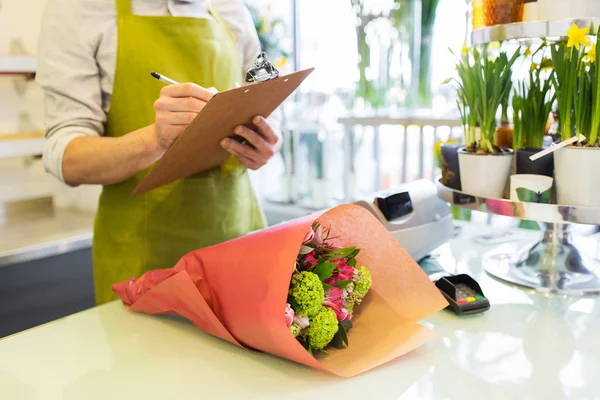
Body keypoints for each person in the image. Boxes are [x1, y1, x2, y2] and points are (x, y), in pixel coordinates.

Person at [36, 0, 281, 305]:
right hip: (142, 261)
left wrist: (266, 141)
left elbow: (264, 104)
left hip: (240, 241)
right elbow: (67, 159)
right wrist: (156, 139)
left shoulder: (231, 10)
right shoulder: (78, 11)